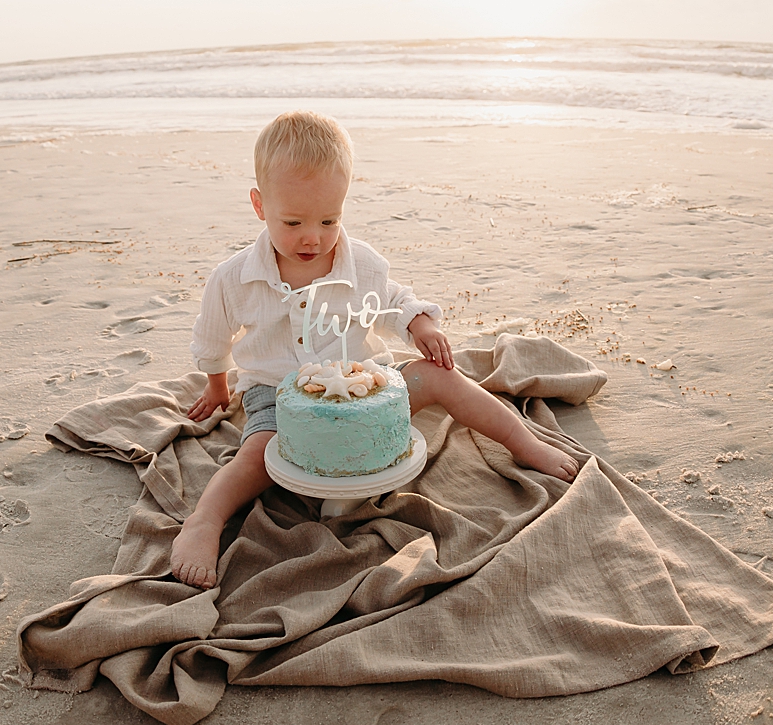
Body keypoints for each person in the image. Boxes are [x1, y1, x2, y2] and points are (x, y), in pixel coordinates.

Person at [170, 110, 579, 589]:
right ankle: (206, 522)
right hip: (276, 392)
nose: (313, 236)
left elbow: (393, 301)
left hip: (368, 385)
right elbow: (213, 337)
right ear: (260, 205)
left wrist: (419, 323)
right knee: (259, 451)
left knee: (442, 375)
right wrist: (218, 386)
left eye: (329, 219)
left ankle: (523, 443)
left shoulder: (360, 263)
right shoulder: (234, 278)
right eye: (294, 220)